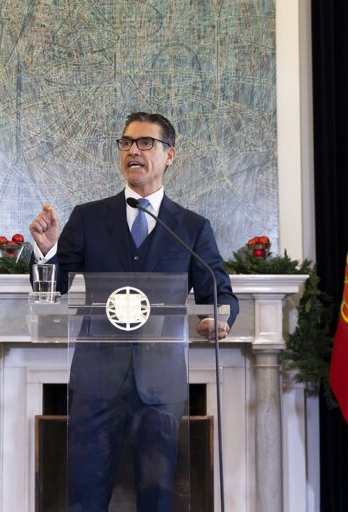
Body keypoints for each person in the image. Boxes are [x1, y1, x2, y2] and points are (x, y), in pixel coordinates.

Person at [29, 112, 239, 511]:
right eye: (126, 143)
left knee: (157, 499)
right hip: (96, 380)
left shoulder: (191, 227)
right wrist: (46, 251)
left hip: (160, 382)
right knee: (85, 497)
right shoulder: (88, 217)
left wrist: (217, 317)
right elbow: (54, 288)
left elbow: (218, 289)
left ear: (169, 154)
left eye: (145, 143)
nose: (133, 151)